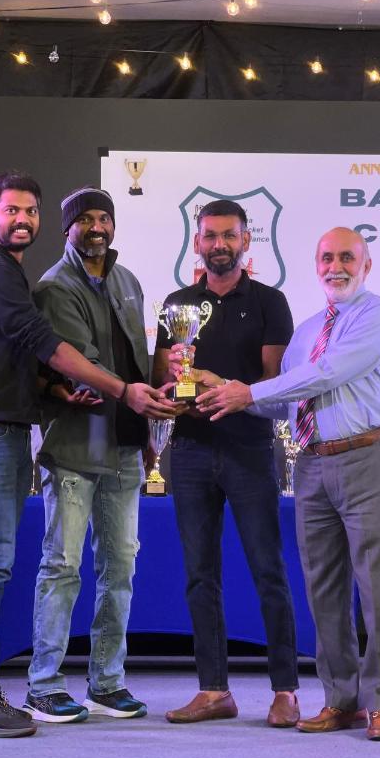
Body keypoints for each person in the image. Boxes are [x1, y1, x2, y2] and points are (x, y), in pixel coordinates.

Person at [0, 171, 174, 739]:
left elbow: (19, 360)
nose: (22, 220)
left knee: (105, 565)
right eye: (11, 210)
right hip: (1, 435)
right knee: (9, 564)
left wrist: (57, 390)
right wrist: (123, 392)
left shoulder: (106, 279)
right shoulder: (1, 272)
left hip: (32, 432)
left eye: (29, 211)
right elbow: (44, 344)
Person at [194, 226, 380, 741]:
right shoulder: (309, 329)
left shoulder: (377, 316)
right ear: (316, 266)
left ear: (367, 265)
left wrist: (248, 392)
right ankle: (341, 700)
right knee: (324, 589)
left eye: (347, 257)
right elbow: (285, 403)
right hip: (311, 465)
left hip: (367, 456)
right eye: (327, 258)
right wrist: (226, 390)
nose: (336, 266)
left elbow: (328, 373)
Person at [24, 186, 178, 723]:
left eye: (104, 219)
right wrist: (133, 394)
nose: (96, 228)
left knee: (120, 567)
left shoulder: (128, 280)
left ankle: (107, 682)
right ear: (68, 228)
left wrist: (159, 402)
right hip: (75, 445)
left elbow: (138, 362)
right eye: (85, 219)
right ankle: (44, 685)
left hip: (125, 446)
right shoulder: (54, 287)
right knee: (62, 566)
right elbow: (80, 362)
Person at [152, 199, 300, 727]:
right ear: (197, 242)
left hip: (247, 448)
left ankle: (285, 690)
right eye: (211, 236)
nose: (219, 245)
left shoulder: (269, 302)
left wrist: (225, 387)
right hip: (190, 449)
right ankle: (214, 690)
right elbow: (164, 379)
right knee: (200, 575)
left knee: (268, 570)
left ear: (245, 241)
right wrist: (175, 389)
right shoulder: (177, 305)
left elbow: (276, 383)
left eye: (229, 236)